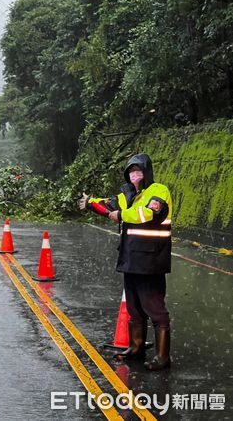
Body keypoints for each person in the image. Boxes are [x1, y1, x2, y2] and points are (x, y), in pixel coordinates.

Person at [79, 153, 172, 371]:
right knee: (134, 307)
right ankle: (136, 348)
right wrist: (91, 203)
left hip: (151, 259)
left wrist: (121, 215)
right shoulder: (129, 194)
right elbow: (109, 205)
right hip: (131, 258)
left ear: (147, 172)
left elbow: (147, 213)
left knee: (155, 309)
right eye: (130, 171)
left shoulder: (158, 191)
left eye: (138, 170)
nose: (134, 174)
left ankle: (163, 357)